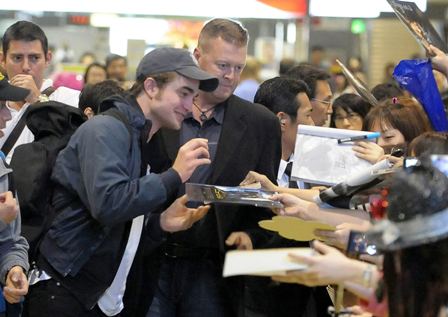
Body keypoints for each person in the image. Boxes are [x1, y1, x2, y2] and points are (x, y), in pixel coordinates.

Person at [24, 47, 219, 317]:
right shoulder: (106, 129)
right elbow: (108, 203)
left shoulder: (142, 137)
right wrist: (174, 175)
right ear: (151, 87)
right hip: (66, 291)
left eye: (194, 96)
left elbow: (121, 223)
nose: (190, 106)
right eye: (184, 93)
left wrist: (160, 223)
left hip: (99, 297)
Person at [147, 18, 281, 316]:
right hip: (153, 256)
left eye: (238, 68)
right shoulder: (163, 111)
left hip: (214, 266)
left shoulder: (260, 124)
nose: (231, 76)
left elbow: (264, 199)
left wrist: (250, 236)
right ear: (197, 57)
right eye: (223, 65)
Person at [0, 20, 80, 163]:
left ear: (47, 58)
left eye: (34, 58)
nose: (25, 66)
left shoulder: (69, 99)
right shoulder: (2, 109)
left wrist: (37, 100)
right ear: (2, 60)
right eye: (17, 58)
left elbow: (74, 149)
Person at [0, 77, 29, 308]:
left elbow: (11, 241)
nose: (8, 116)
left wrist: (13, 268)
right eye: (1, 107)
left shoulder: (2, 166)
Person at [353, 98, 432, 164]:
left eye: (388, 137)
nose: (379, 144)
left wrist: (384, 163)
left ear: (411, 133)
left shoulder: (426, 163)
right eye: (373, 138)